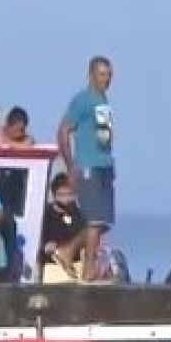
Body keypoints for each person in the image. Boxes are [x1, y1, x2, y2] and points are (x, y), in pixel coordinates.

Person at [57, 55, 115, 281]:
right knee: (95, 220)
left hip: (104, 166)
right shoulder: (83, 100)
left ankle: (69, 250)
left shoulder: (103, 100)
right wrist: (71, 165)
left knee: (104, 222)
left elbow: (103, 135)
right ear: (91, 75)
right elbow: (63, 130)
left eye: (109, 75)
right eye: (102, 74)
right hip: (88, 166)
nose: (106, 79)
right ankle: (87, 269)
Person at [40, 172, 86, 280]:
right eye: (62, 195)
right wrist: (46, 247)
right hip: (52, 265)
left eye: (70, 194)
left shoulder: (79, 215)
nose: (66, 199)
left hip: (76, 266)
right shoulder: (45, 214)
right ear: (54, 195)